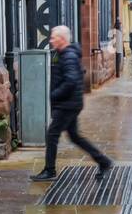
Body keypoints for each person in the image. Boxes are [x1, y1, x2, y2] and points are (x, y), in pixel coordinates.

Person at [30, 25, 113, 184]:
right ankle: (104, 162)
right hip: (70, 103)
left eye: (54, 37)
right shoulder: (64, 54)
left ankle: (50, 170)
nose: (51, 40)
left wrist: (54, 95)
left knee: (52, 134)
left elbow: (71, 81)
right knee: (75, 136)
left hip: (67, 104)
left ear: (62, 39)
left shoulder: (68, 55)